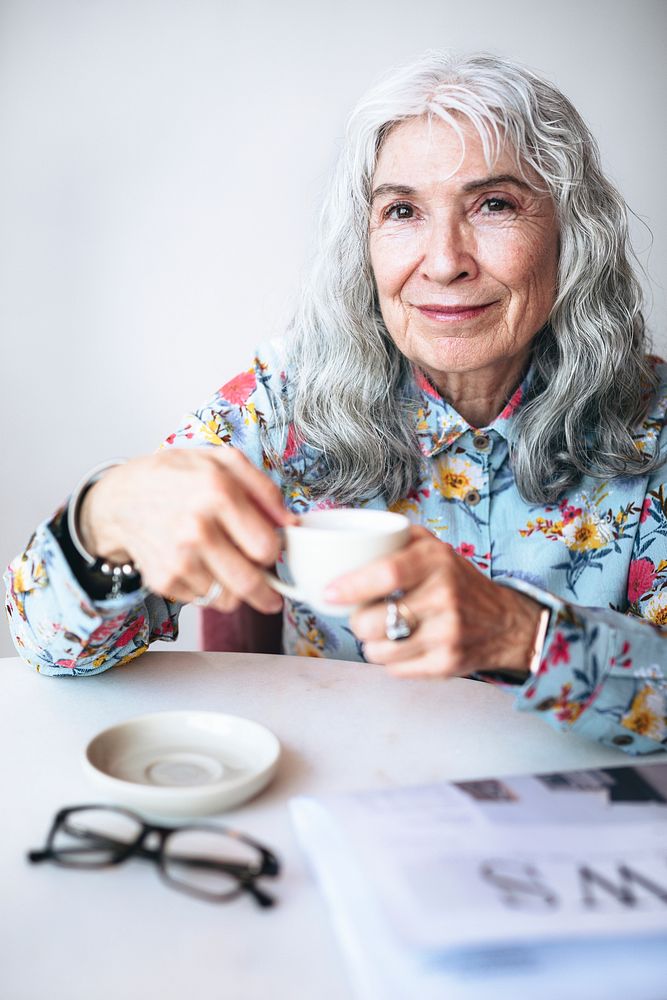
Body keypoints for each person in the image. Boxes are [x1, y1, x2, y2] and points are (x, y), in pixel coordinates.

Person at [5, 51, 667, 755]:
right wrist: (101, 521)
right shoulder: (289, 398)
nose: (443, 261)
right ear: (365, 242)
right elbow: (53, 651)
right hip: (339, 798)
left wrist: (518, 634)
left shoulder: (649, 421)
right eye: (402, 211)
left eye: (493, 204)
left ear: (570, 233)